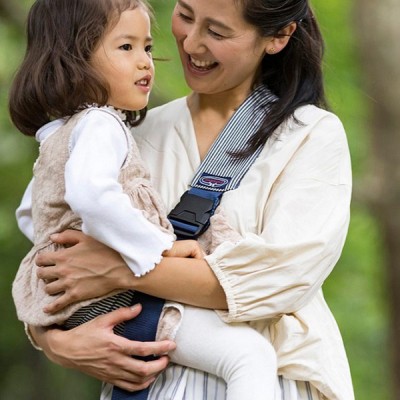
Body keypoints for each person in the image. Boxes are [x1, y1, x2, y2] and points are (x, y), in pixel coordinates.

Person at [15, 0, 355, 399]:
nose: (190, 43)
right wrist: (55, 342)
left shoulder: (310, 135)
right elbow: (52, 237)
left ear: (279, 37)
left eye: (217, 32)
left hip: (265, 379)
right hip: (148, 384)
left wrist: (122, 269)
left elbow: (278, 279)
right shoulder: (127, 129)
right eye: (186, 16)